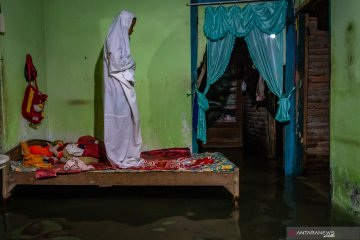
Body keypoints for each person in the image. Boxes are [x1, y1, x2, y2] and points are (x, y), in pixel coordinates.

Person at [103, 10, 143, 168]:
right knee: (118, 120)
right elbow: (116, 64)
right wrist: (131, 63)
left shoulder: (120, 39)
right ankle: (118, 155)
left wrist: (130, 64)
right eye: (131, 26)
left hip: (123, 85)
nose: (132, 30)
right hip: (117, 86)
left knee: (127, 120)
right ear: (125, 24)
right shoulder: (114, 39)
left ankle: (126, 153)